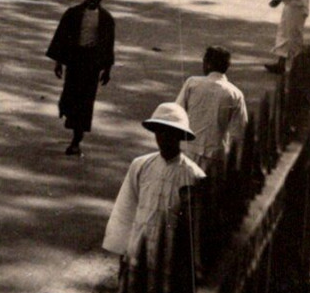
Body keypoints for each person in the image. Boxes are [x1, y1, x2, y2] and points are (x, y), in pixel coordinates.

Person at [102, 102, 207, 263]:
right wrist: (122, 251)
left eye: (171, 132)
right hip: (138, 252)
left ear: (180, 136)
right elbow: (125, 209)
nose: (164, 137)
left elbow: (195, 227)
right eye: (160, 131)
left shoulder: (193, 175)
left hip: (169, 258)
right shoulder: (141, 165)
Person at [46, 0, 117, 155]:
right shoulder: (73, 14)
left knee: (85, 101)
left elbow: (109, 45)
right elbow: (61, 37)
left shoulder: (107, 19)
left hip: (92, 63)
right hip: (75, 60)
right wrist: (58, 63)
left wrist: (107, 68)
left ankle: (76, 140)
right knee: (70, 97)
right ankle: (67, 110)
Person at [175, 46, 248, 177]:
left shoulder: (192, 83)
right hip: (215, 155)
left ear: (207, 64)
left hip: (188, 150)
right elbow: (239, 132)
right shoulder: (235, 94)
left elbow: (177, 113)